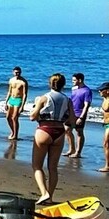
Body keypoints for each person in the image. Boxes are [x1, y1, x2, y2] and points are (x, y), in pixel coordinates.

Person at [29, 73, 76, 204]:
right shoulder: (68, 100)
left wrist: (35, 107)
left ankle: (44, 193)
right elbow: (72, 120)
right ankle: (50, 197)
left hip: (44, 130)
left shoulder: (44, 98)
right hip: (59, 132)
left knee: (37, 166)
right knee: (53, 167)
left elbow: (32, 117)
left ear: (50, 83)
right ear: (63, 85)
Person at [64, 73, 92, 158]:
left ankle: (78, 152)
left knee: (79, 131)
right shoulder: (74, 89)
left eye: (74, 80)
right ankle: (71, 149)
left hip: (80, 113)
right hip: (71, 113)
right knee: (67, 129)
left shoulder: (87, 91)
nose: (72, 82)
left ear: (80, 80)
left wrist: (81, 117)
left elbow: (86, 105)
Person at [4, 66, 28, 140]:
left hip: (18, 100)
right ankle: (12, 132)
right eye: (16, 72)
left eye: (19, 72)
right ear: (13, 72)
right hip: (11, 99)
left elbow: (25, 94)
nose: (17, 74)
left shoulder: (23, 82)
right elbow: (9, 91)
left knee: (14, 118)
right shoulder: (11, 80)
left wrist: (22, 106)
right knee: (8, 117)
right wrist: (6, 102)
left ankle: (15, 135)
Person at [97, 81, 109, 172]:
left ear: (107, 91)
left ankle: (107, 166)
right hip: (106, 124)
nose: (99, 91)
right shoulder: (105, 98)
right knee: (106, 144)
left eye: (101, 90)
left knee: (106, 144)